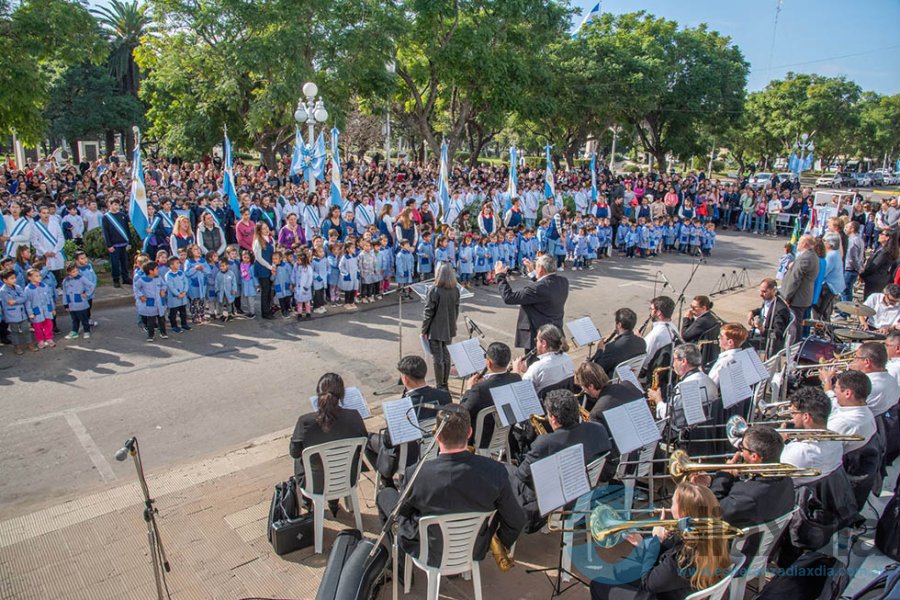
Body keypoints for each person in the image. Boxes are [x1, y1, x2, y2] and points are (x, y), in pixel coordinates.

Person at [375, 409, 525, 572]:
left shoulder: (416, 474)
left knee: (385, 495)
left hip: (429, 551)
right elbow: (516, 520)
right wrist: (494, 540)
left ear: (437, 436)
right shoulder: (496, 471)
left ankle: (401, 566)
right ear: (469, 432)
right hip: (474, 548)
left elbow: (403, 513)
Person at [587, 482, 732, 600]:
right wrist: (643, 544)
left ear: (684, 513)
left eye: (674, 502)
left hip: (661, 594)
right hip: (677, 588)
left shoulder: (683, 557)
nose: (670, 506)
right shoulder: (710, 536)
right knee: (620, 571)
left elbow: (648, 583)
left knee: (598, 584)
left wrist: (656, 540)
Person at [508, 390, 611, 532]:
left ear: (554, 419)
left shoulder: (544, 443)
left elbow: (521, 475)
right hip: (584, 494)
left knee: (506, 471)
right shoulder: (598, 429)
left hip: (551, 504)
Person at [689, 425, 795, 559]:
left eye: (742, 448)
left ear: (754, 456)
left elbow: (712, 511)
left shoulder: (748, 496)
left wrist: (724, 476)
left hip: (734, 555)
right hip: (762, 550)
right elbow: (740, 496)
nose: (740, 452)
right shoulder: (786, 481)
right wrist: (711, 482)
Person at [364, 356, 451, 487]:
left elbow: (389, 441)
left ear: (405, 379)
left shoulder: (400, 407)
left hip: (408, 459)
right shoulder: (444, 395)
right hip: (434, 450)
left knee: (368, 439)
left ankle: (387, 483)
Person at [289, 373, 368, 513]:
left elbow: (294, 452)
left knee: (301, 458)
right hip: (347, 479)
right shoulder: (354, 416)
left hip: (314, 484)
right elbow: (364, 443)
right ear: (342, 395)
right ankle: (334, 502)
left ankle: (306, 502)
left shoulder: (305, 422)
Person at [495, 254, 569, 352]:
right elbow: (545, 286)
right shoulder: (563, 281)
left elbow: (509, 297)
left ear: (541, 268)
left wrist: (500, 276)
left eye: (536, 265)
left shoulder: (537, 289)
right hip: (555, 332)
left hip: (539, 337)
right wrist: (532, 272)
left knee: (535, 364)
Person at [460, 342, 522, 449]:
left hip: (481, 440)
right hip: (506, 435)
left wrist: (469, 389)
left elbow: (462, 413)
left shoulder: (479, 389)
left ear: (488, 363)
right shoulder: (516, 378)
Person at [779, 387, 843, 487]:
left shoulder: (799, 451)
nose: (791, 419)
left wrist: (780, 443)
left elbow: (772, 478)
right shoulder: (836, 439)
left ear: (806, 417)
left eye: (793, 414)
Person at [421, 262, 460, 391]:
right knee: (446, 356)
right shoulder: (455, 289)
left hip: (436, 329)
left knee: (438, 357)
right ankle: (445, 383)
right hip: (449, 327)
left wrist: (424, 330)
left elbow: (428, 312)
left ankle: (439, 385)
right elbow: (456, 310)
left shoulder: (434, 289)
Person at [512, 324, 575, 395]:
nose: (536, 343)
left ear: (544, 343)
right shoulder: (567, 359)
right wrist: (528, 370)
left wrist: (516, 373)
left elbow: (521, 392)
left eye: (537, 340)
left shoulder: (536, 368)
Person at [591, 307, 647, 377]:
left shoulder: (612, 347)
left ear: (619, 325)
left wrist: (600, 349)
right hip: (630, 376)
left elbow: (598, 368)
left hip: (613, 381)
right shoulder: (642, 342)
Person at [781, 234, 820, 330]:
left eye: (799, 242)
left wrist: (787, 296)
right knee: (796, 325)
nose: (797, 244)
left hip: (797, 298)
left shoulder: (805, 258)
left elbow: (795, 279)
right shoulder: (810, 255)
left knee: (794, 326)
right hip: (802, 297)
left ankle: (794, 344)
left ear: (805, 244)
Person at [748, 278, 791, 355]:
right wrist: (752, 312)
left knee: (739, 343)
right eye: (760, 291)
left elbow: (777, 334)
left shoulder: (780, 309)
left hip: (768, 341)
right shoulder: (768, 300)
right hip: (758, 334)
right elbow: (764, 310)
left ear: (774, 291)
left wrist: (762, 329)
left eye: (764, 292)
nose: (761, 294)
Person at [0, 267, 35, 353]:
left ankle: (30, 344)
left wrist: (16, 300)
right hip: (11, 315)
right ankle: (17, 347)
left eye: (14, 278)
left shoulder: (18, 287)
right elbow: (10, 302)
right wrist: (18, 300)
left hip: (22, 313)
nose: (14, 280)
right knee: (14, 332)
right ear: (5, 280)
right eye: (12, 278)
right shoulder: (3, 291)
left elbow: (24, 298)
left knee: (26, 329)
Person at [641, 296, 679, 373]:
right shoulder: (674, 328)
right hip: (667, 369)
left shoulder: (655, 334)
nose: (650, 312)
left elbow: (644, 361)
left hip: (652, 372)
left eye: (651, 309)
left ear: (658, 313)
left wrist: (639, 342)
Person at [859, 228, 899, 299]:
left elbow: (874, 266)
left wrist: (862, 275)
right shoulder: (884, 249)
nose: (879, 235)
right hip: (880, 279)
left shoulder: (884, 252)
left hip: (875, 280)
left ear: (887, 237)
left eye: (882, 234)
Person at [134, 261, 169, 342]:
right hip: (151, 303)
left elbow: (164, 284)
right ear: (150, 271)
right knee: (151, 320)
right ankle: (150, 335)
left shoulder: (159, 278)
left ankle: (163, 332)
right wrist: (141, 296)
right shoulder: (142, 280)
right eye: (156, 269)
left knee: (161, 319)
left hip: (160, 302)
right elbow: (136, 288)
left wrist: (163, 290)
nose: (158, 270)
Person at [101, 199, 132, 288]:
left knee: (124, 262)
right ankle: (116, 279)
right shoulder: (106, 217)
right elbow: (105, 232)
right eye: (115, 204)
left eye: (118, 205)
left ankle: (125, 278)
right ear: (109, 205)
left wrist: (129, 242)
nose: (117, 207)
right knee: (115, 263)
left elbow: (127, 229)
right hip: (114, 245)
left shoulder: (122, 215)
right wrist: (109, 245)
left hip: (123, 243)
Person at [252, 222, 276, 319]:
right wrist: (270, 267)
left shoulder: (271, 239)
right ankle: (265, 312)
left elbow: (274, 253)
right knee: (265, 290)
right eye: (263, 229)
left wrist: (273, 265)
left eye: (267, 228)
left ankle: (269, 308)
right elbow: (259, 258)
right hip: (262, 268)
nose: (266, 230)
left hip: (270, 266)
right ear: (259, 231)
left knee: (270, 289)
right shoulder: (258, 241)